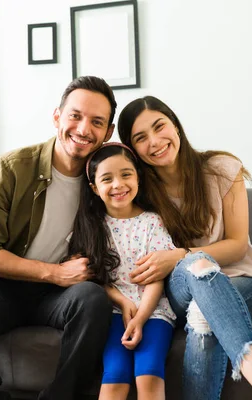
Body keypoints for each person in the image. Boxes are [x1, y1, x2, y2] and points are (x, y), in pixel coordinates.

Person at [0, 76, 118, 400]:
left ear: (108, 132)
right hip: (1, 287)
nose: (84, 128)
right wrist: (53, 272)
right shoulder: (12, 167)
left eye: (97, 122)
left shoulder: (107, 181)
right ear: (57, 116)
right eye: (75, 115)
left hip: (58, 298)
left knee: (92, 300)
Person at [117, 96, 252, 400]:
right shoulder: (138, 190)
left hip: (244, 284)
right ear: (133, 150)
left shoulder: (222, 169)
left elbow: (238, 246)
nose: (155, 141)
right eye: (141, 138)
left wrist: (181, 255)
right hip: (180, 288)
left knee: (202, 311)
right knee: (197, 269)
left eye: (160, 127)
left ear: (175, 124)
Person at [65, 142, 181, 400]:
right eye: (107, 179)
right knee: (115, 376)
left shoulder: (152, 221)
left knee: (149, 373)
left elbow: (156, 278)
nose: (118, 184)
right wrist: (121, 300)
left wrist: (140, 318)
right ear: (95, 188)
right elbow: (90, 278)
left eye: (126, 174)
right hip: (112, 312)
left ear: (138, 177)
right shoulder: (90, 228)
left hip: (154, 312)